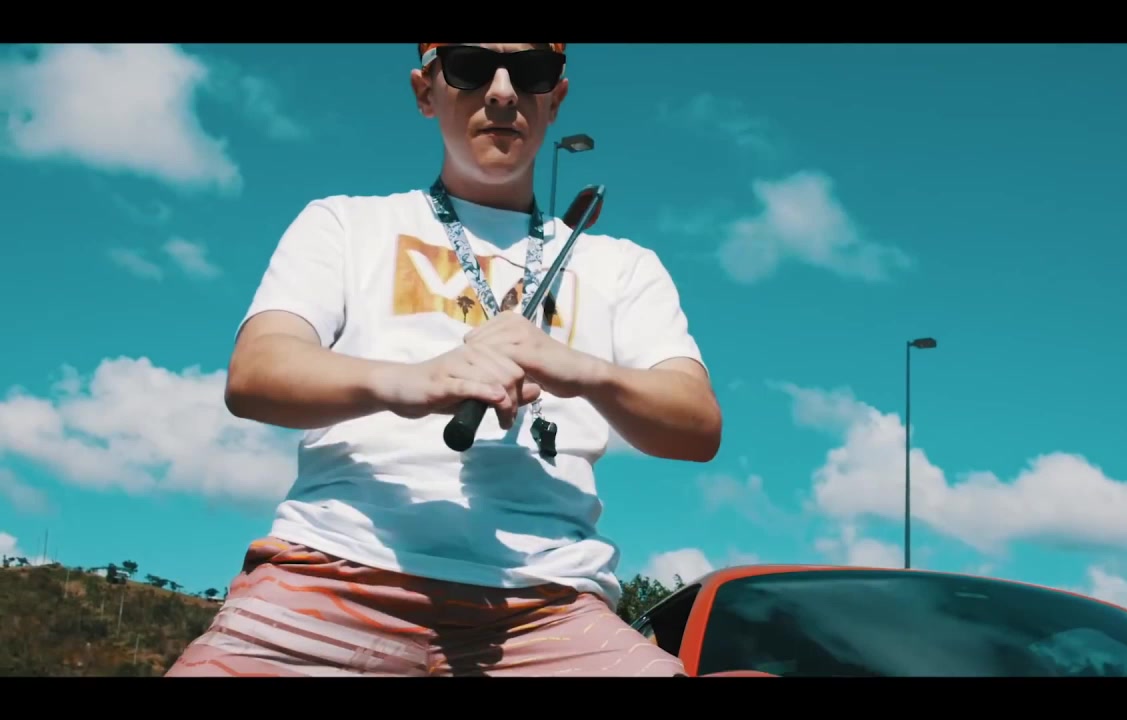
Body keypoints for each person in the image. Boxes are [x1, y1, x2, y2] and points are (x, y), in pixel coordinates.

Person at [164, 42, 721, 677]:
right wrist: (410, 382)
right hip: (330, 570)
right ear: (425, 91)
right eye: (469, 66)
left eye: (531, 72)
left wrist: (577, 368)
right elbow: (256, 372)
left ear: (556, 99)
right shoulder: (342, 224)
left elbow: (697, 425)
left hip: (550, 604)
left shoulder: (624, 265)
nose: (503, 91)